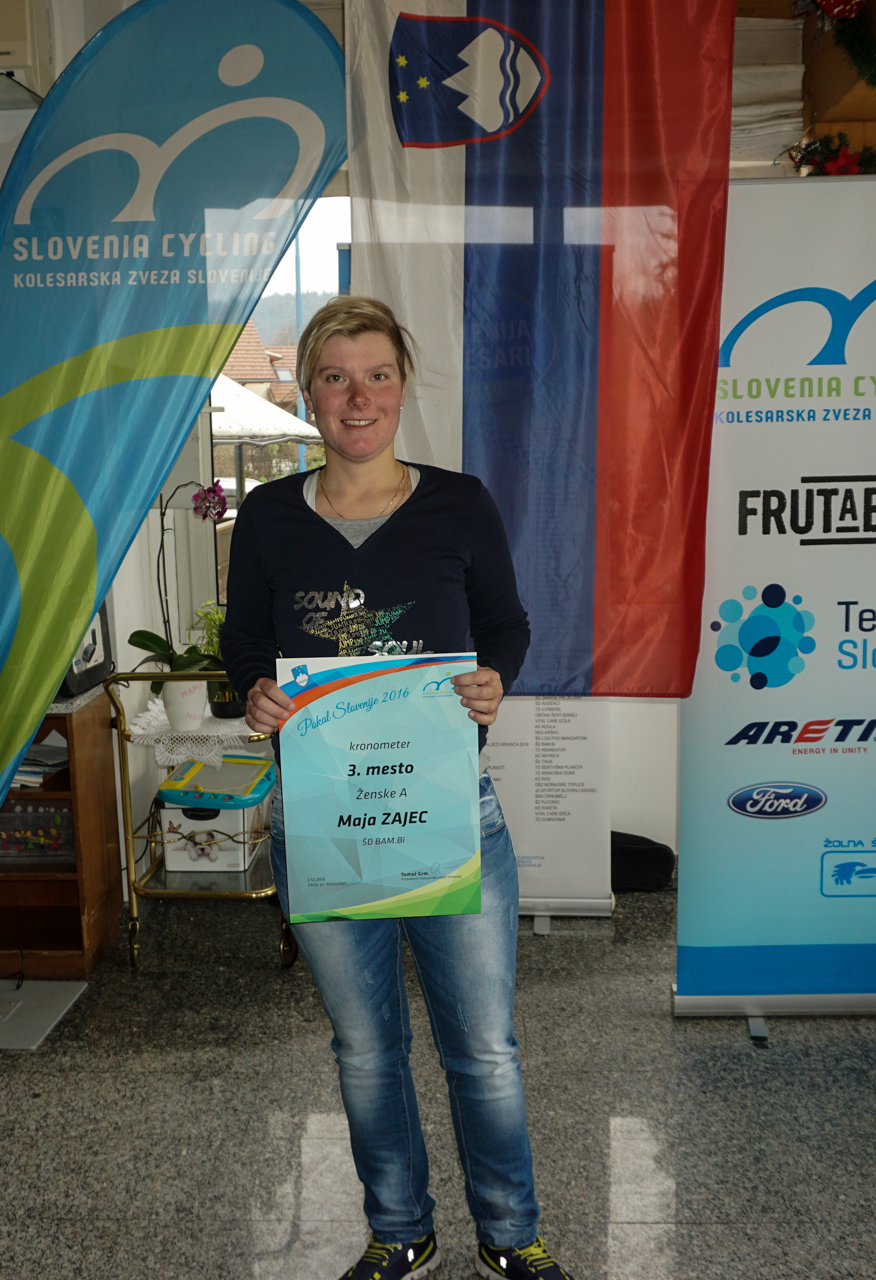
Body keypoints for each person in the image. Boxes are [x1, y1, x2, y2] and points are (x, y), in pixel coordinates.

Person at [221, 296, 573, 1280]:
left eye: (377, 375)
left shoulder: (459, 503)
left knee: (485, 1050)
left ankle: (511, 1233)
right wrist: (253, 688)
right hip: (325, 818)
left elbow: (506, 625)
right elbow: (245, 637)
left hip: (449, 812)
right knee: (366, 1050)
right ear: (309, 394)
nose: (358, 396)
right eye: (336, 377)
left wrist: (495, 677)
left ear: (403, 388)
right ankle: (400, 1228)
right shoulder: (269, 516)